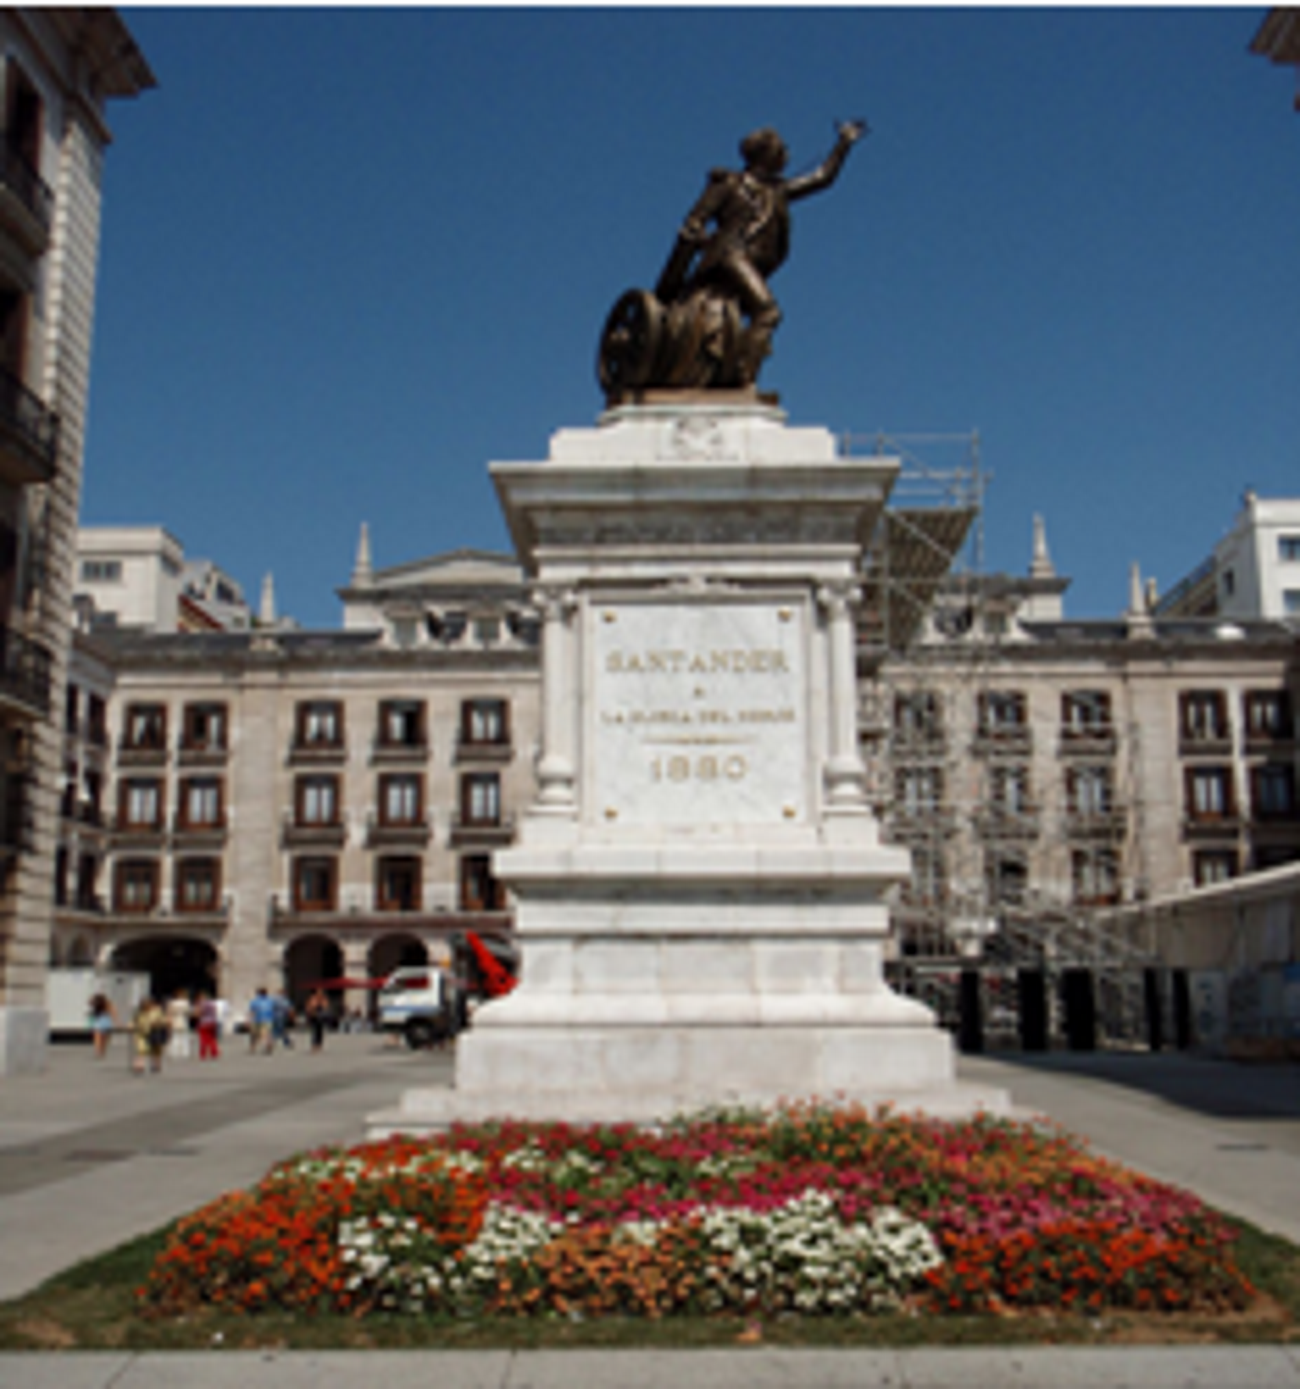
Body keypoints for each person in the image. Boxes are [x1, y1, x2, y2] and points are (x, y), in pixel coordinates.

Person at [659, 120, 866, 380]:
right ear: (766, 154)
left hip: (754, 261)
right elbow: (695, 220)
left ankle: (733, 364)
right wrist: (697, 240)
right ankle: (743, 375)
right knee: (767, 311)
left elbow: (822, 178)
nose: (787, 156)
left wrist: (844, 144)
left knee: (747, 314)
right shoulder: (728, 184)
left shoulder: (776, 190)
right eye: (783, 150)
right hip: (730, 255)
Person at [132, 997, 168, 1075]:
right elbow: (134, 1021)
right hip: (141, 1033)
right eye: (143, 1004)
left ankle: (156, 1064)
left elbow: (164, 1020)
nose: (144, 1006)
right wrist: (130, 1026)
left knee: (156, 1050)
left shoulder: (157, 1011)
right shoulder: (139, 1013)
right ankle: (139, 1065)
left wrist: (158, 1023)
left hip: (154, 1033)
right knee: (141, 1049)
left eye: (146, 1004)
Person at [88, 992, 116, 1060]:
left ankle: (99, 1051)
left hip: (101, 1022)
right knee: (102, 1038)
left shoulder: (105, 1004)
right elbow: (113, 1012)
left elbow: (113, 1012)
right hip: (105, 1022)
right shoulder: (106, 1003)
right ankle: (100, 1051)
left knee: (99, 1038)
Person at [166, 988, 193, 1061]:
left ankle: (174, 1052)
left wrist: (169, 1020)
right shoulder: (186, 1003)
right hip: (183, 1020)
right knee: (184, 1037)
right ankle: (184, 1052)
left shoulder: (172, 1003)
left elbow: (169, 1012)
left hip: (175, 1020)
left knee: (175, 1037)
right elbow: (189, 1012)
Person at [247, 987, 275, 1054]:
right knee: (267, 1034)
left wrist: (248, 1020)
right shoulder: (270, 1001)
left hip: (257, 1020)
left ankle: (252, 1048)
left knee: (254, 1035)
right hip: (268, 1020)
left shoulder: (255, 1001)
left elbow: (252, 1012)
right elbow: (273, 1010)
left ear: (258, 993)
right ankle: (269, 1046)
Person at [195, 991, 220, 1060]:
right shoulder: (211, 1003)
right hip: (212, 1022)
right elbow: (215, 1012)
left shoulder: (201, 1004)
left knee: (203, 1039)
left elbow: (198, 1013)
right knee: (212, 1038)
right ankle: (214, 1052)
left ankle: (203, 1054)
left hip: (204, 1023)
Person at [304, 987, 329, 1052]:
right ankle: (314, 1045)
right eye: (319, 992)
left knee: (320, 1031)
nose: (320, 993)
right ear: (316, 992)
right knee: (314, 1031)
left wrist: (321, 1004)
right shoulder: (313, 998)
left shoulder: (323, 999)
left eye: (321, 992)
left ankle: (319, 1044)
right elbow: (309, 1007)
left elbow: (325, 1007)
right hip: (313, 1016)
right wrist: (310, 1012)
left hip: (321, 1017)